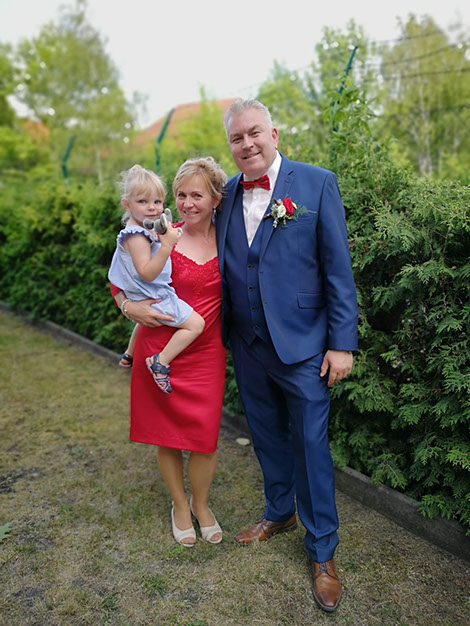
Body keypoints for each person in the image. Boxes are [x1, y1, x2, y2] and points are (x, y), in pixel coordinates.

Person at [215, 99, 358, 612]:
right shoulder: (226, 194)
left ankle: (322, 552)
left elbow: (338, 269)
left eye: (254, 132)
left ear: (273, 134)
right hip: (248, 343)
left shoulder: (316, 183)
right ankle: (280, 511)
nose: (247, 143)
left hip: (303, 347)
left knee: (311, 447)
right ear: (230, 146)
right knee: (267, 436)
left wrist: (341, 343)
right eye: (237, 138)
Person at [111, 157, 228, 546]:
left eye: (197, 195)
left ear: (215, 199)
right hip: (161, 349)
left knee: (205, 436)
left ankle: (201, 503)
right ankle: (179, 505)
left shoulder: (232, 238)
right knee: (168, 435)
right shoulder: (158, 234)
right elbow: (119, 282)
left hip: (208, 353)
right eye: (180, 195)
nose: (187, 203)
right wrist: (129, 307)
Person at [108, 164, 205, 393]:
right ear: (127, 204)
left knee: (142, 323)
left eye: (157, 202)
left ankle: (129, 353)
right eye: (143, 201)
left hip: (141, 294)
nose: (152, 208)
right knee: (196, 325)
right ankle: (160, 362)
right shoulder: (136, 236)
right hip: (153, 294)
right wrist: (167, 245)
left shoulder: (139, 229)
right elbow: (147, 272)